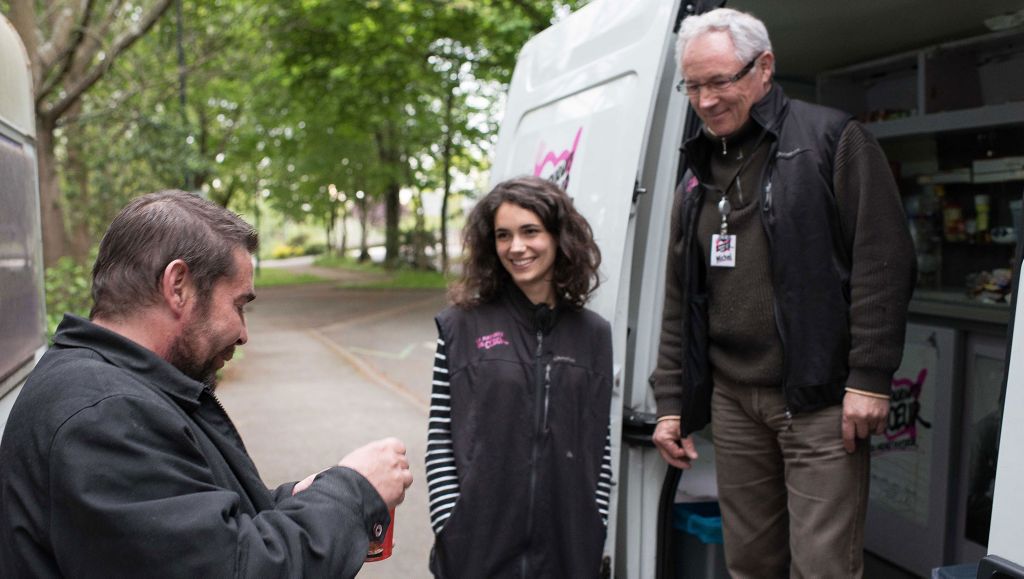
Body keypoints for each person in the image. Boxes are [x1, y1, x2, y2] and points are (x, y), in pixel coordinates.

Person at [0, 191, 413, 578]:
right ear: (178, 286)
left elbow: (187, 532)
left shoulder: (111, 387)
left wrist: (294, 500)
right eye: (238, 305)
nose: (243, 333)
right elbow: (232, 567)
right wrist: (353, 493)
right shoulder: (103, 416)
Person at [650, 8, 916, 578]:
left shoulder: (830, 139)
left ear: (764, 67)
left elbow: (883, 263)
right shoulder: (697, 170)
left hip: (819, 399)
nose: (705, 100)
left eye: (720, 81)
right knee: (750, 562)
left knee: (822, 567)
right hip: (734, 401)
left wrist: (869, 377)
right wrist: (671, 401)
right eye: (692, 86)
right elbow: (682, 299)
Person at [425, 176, 613, 578]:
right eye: (503, 235)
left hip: (568, 551)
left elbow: (601, 445)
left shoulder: (594, 334)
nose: (516, 247)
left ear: (560, 237)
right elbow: (440, 435)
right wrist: (450, 524)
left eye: (531, 231)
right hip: (476, 548)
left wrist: (595, 524)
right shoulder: (462, 326)